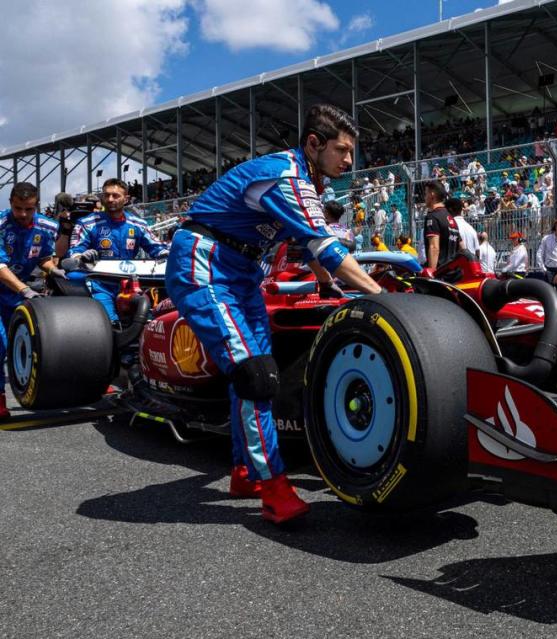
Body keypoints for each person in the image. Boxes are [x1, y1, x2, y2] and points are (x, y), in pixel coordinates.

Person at [166, 103, 382, 524]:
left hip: (243, 272)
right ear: (314, 144)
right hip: (204, 265)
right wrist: (381, 295)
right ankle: (274, 490)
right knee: (255, 375)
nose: (350, 161)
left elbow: (308, 244)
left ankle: (246, 471)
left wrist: (325, 283)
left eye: (352, 152)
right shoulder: (286, 177)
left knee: (251, 376)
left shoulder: (308, 182)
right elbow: (327, 247)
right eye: (342, 150)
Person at [66, 179, 169, 325]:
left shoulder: (138, 224)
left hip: (131, 284)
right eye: (106, 195)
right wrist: (81, 256)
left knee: (145, 322)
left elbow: (157, 248)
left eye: (115, 196)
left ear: (126, 199)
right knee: (108, 324)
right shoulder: (86, 223)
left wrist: (165, 254)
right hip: (100, 284)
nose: (110, 199)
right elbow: (74, 252)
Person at [0, 183, 62, 419]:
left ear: (36, 204)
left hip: (18, 294)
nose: (23, 214)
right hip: (14, 289)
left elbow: (44, 258)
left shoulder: (47, 226)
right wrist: (25, 290)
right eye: (18, 208)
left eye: (28, 208)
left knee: (26, 343)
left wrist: (53, 270)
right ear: (10, 203)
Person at [422, 181, 461, 270]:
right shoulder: (451, 219)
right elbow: (462, 246)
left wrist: (431, 273)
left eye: (426, 194)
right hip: (453, 273)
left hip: (441, 274)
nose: (424, 198)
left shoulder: (432, 216)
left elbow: (434, 247)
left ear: (432, 195)